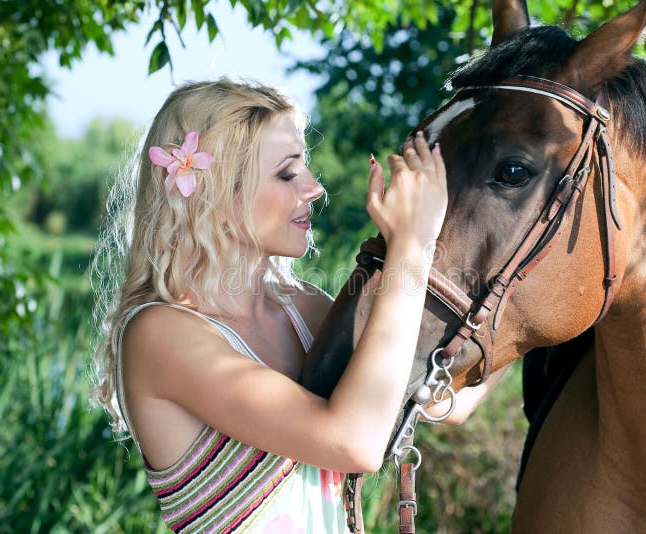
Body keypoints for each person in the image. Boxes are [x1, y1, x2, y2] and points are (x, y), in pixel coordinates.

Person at [90, 77, 447, 533]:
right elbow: (355, 441)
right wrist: (412, 247)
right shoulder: (161, 335)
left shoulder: (305, 310)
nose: (314, 188)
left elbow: (448, 401)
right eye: (287, 173)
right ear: (215, 195)